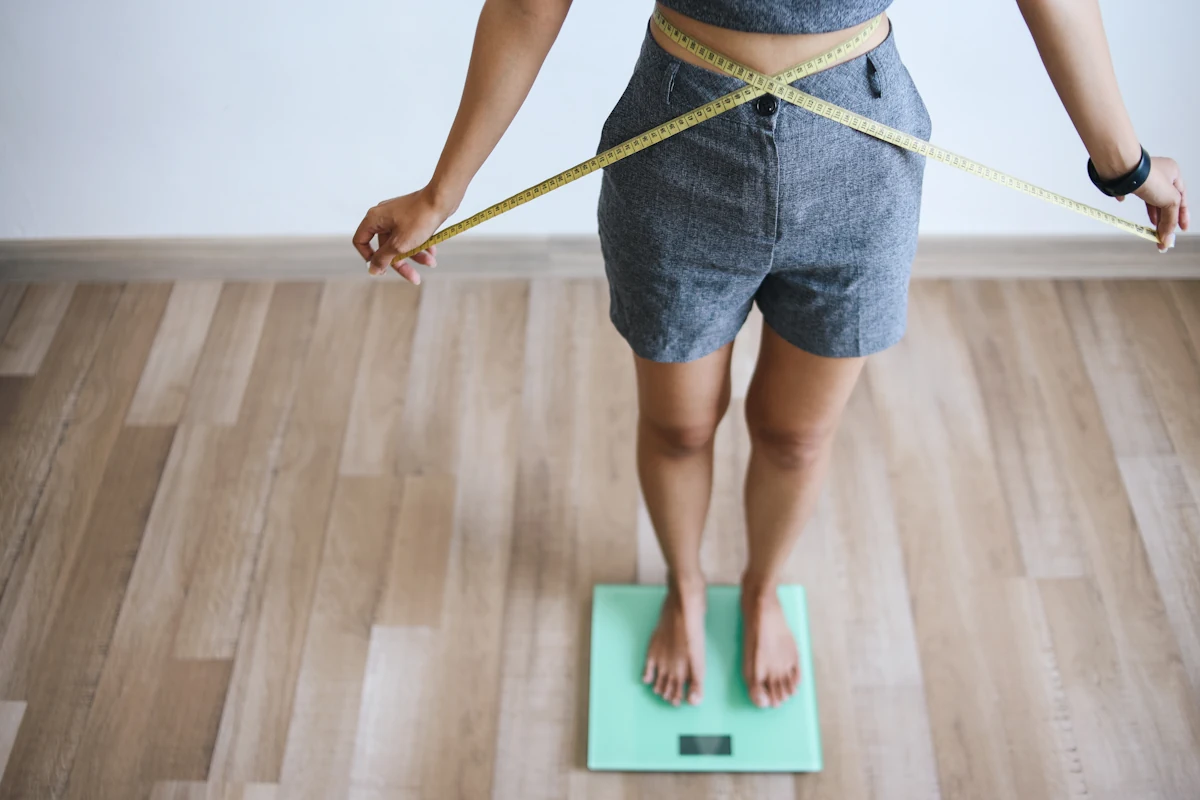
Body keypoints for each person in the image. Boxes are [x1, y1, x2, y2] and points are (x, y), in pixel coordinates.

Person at [352, 0, 1188, 710]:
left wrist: (1128, 167)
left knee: (795, 435)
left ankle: (758, 588)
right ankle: (684, 586)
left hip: (861, 164)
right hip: (678, 155)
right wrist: (440, 193)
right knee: (679, 428)